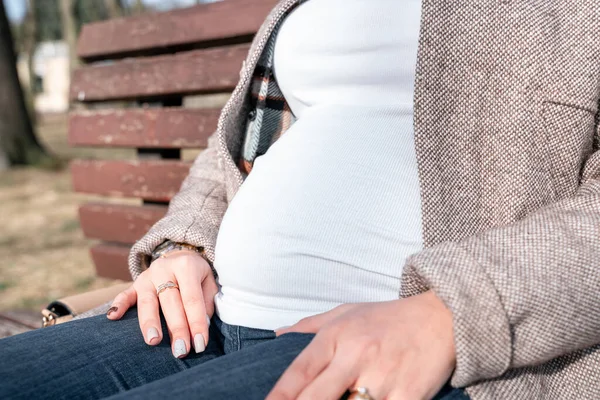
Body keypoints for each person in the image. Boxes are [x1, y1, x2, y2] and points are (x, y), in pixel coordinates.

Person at [2, 0, 600, 399]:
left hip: (423, 348)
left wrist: (452, 313)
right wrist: (183, 244)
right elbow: (232, 151)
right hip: (213, 314)